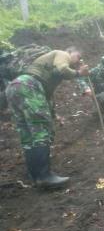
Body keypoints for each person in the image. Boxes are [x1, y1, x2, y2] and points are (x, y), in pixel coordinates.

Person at [5, 47, 89, 188]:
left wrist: (54, 114)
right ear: (71, 52)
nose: (78, 60)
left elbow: (46, 96)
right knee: (40, 131)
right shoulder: (62, 54)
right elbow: (63, 69)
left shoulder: (48, 69)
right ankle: (44, 176)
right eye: (78, 57)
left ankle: (35, 175)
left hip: (15, 87)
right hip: (29, 86)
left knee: (28, 135)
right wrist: (79, 73)